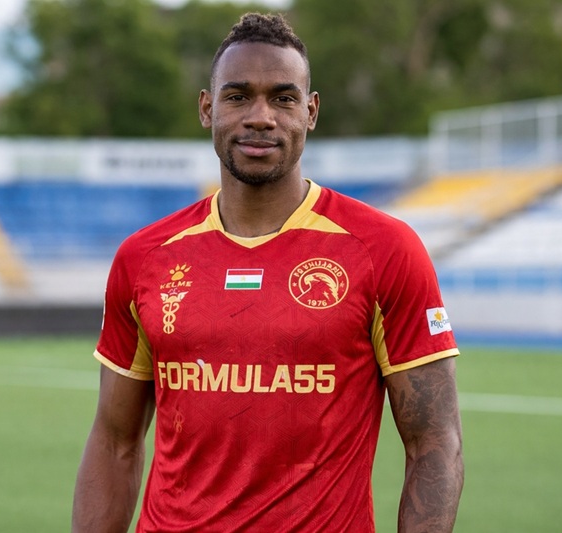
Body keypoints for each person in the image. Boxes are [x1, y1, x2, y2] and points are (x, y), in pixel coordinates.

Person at [72, 12, 463, 533]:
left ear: (311, 111)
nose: (261, 117)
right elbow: (114, 441)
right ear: (207, 108)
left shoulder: (384, 250)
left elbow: (433, 443)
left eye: (283, 98)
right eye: (238, 97)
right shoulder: (144, 257)